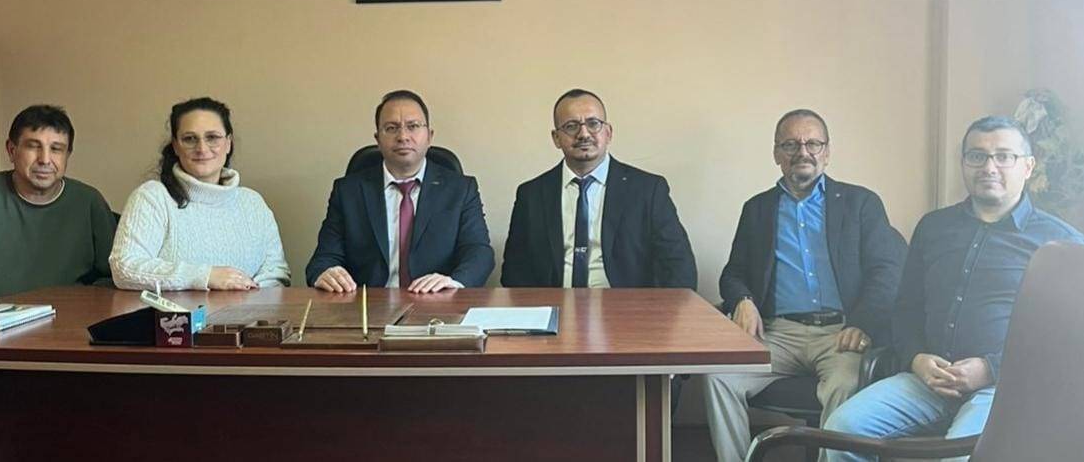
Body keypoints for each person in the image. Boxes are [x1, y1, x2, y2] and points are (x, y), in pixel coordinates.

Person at [824, 115, 1084, 461]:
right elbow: (906, 309)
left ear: (1028, 166)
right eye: (977, 156)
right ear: (963, 163)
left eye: (1004, 156)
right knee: (840, 431)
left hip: (1000, 389)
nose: (989, 167)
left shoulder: (1062, 244)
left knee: (961, 457)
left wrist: (989, 369)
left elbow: (1066, 341)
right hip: (926, 381)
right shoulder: (933, 227)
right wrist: (916, 358)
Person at [704, 109, 907, 462]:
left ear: (827, 152)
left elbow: (887, 271)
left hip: (841, 333)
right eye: (791, 144)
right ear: (776, 154)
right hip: (778, 333)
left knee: (844, 385)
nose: (803, 152)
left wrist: (863, 323)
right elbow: (733, 273)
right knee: (718, 378)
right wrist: (743, 300)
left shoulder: (860, 203)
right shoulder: (757, 209)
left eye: (813, 143)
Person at [501, 88, 697, 289]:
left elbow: (679, 267)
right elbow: (514, 272)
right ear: (556, 138)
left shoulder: (648, 190)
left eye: (593, 124)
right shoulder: (531, 195)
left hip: (627, 305)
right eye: (571, 126)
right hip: (555, 304)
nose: (583, 134)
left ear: (608, 132)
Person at [306, 90, 493, 293]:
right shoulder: (348, 192)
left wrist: (453, 282)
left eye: (413, 126)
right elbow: (324, 258)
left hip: (437, 302)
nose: (403, 137)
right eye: (391, 128)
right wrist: (325, 272)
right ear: (378, 139)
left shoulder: (461, 189)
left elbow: (479, 253)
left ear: (429, 136)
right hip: (367, 306)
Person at [109, 97, 290, 291]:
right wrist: (206, 276)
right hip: (173, 312)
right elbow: (124, 267)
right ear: (175, 146)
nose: (202, 149)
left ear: (228, 143)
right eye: (190, 139)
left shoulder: (253, 203)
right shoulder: (152, 197)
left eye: (212, 137)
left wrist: (246, 293)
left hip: (250, 310)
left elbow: (277, 272)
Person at [0, 105, 115, 308]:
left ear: (67, 155)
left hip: (67, 320)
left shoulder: (90, 202)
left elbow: (115, 277)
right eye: (33, 146)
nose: (45, 160)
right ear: (12, 150)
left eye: (56, 149)